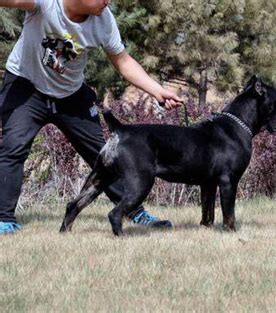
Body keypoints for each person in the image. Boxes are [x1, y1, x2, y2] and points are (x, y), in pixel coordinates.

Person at [0, 0, 183, 234]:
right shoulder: (46, 4)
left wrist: (157, 91)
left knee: (106, 154)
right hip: (26, 86)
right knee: (13, 149)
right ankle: (4, 220)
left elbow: (123, 62)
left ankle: (134, 210)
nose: (108, 1)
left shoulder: (104, 20)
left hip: (71, 95)